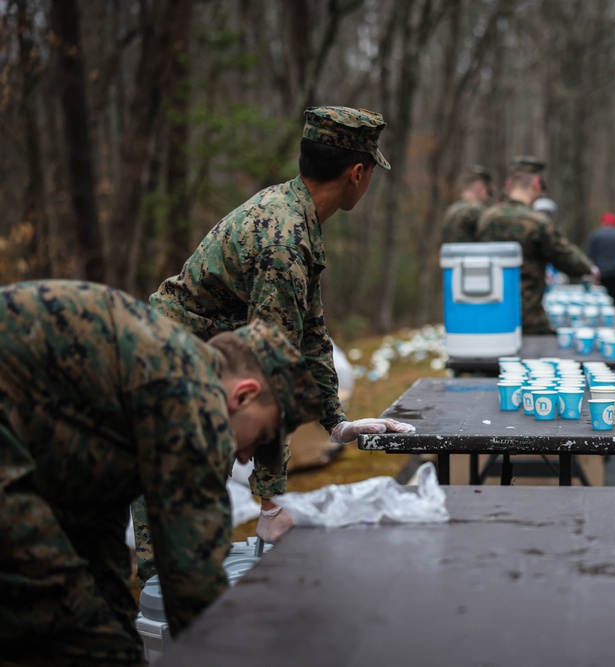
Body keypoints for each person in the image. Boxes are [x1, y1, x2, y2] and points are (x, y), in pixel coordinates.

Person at [136, 106, 413, 584]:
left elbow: (308, 335)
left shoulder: (294, 217)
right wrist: (272, 501)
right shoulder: (282, 240)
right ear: (357, 173)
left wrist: (335, 422)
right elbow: (268, 377)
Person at [0, 280, 322, 664]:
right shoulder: (193, 394)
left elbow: (97, 532)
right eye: (263, 436)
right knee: (67, 619)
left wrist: (121, 630)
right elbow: (192, 578)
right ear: (243, 395)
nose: (244, 458)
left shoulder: (155, 379)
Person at [476, 155, 598, 335]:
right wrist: (588, 268)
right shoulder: (537, 222)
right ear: (536, 183)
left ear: (509, 185)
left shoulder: (486, 218)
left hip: (491, 313)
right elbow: (564, 257)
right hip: (528, 316)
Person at [441, 165, 493, 243]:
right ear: (479, 187)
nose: (487, 197)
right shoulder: (477, 210)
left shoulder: (451, 210)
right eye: (488, 192)